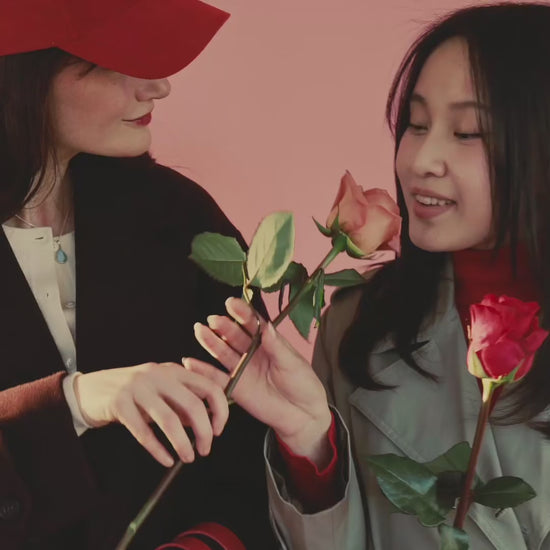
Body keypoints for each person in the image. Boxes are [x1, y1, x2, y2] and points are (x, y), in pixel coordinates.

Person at [188, 4, 550, 549]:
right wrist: (312, 446)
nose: (421, 160)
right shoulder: (359, 326)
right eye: (417, 125)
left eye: (467, 132)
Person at [0, 1, 279, 549]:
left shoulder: (181, 219)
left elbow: (249, 445)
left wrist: (207, 542)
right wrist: (77, 400)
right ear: (25, 73)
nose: (159, 86)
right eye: (116, 60)